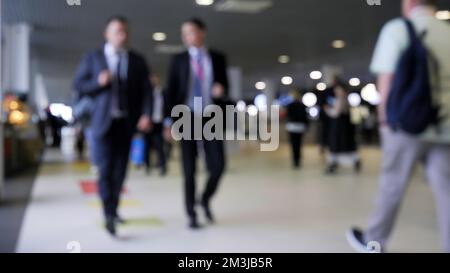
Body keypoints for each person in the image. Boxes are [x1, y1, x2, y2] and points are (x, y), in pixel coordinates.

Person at [347, 0, 450, 253]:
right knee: (447, 190)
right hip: (446, 124)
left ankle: (374, 242)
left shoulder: (398, 29)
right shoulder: (447, 32)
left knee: (392, 185)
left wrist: (384, 122)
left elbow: (387, 82)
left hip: (407, 125)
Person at [73, 16, 153, 236]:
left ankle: (114, 209)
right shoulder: (93, 58)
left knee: (120, 171)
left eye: (125, 31)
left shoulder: (137, 60)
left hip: (126, 124)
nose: (122, 35)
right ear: (106, 34)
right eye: (117, 31)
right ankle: (108, 213)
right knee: (105, 170)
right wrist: (98, 83)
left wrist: (146, 114)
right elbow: (78, 85)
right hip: (102, 123)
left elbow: (147, 91)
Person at [164, 18, 229, 229]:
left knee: (218, 165)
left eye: (191, 32)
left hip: (211, 114)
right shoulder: (179, 60)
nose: (186, 37)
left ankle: (205, 198)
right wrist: (168, 121)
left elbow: (224, 83)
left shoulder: (217, 58)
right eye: (184, 33)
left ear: (202, 33)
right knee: (189, 169)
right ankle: (191, 213)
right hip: (186, 114)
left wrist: (221, 89)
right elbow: (170, 92)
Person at [324, 77, 361, 174]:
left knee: (336, 145)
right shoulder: (346, 100)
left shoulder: (340, 100)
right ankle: (355, 161)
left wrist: (327, 109)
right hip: (346, 126)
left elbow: (335, 113)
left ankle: (332, 164)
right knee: (348, 145)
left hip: (338, 126)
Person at [144, 74, 167, 176]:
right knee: (147, 146)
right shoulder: (145, 93)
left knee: (160, 146)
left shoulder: (163, 92)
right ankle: (147, 166)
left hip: (159, 122)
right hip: (148, 123)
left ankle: (162, 166)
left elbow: (167, 108)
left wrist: (168, 123)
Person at [284, 88, 309, 169]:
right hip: (300, 127)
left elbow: (287, 117)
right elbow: (306, 118)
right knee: (298, 144)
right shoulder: (302, 106)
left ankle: (295, 160)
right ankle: (298, 160)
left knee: (294, 144)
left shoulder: (289, 105)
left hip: (292, 127)